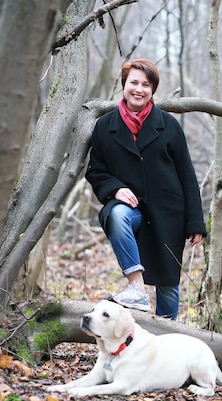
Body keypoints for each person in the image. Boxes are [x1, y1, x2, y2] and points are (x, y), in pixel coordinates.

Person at [85, 58, 206, 320]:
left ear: (152, 90)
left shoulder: (169, 126)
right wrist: (115, 189)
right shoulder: (105, 127)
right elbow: (95, 170)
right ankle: (136, 288)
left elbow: (187, 174)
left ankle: (167, 341)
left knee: (168, 283)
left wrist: (195, 222)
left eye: (145, 85)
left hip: (168, 213)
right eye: (134, 83)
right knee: (115, 214)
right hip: (133, 211)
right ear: (124, 85)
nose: (139, 89)